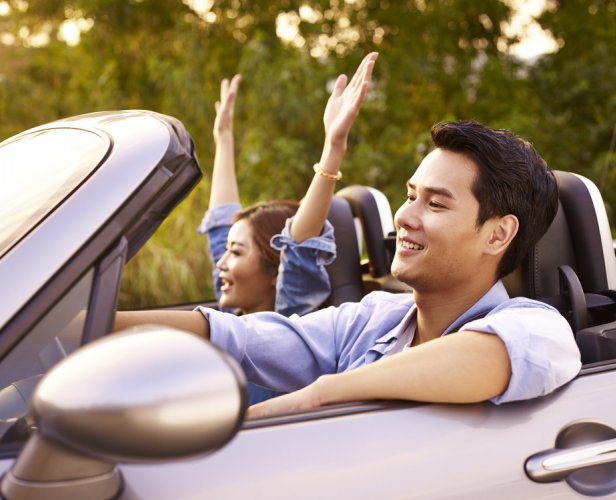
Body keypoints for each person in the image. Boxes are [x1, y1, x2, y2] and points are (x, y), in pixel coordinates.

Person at [116, 58, 581, 419]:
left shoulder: (538, 328)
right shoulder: (373, 320)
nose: (405, 216)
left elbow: (490, 353)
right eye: (410, 196)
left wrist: (318, 396)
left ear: (498, 234)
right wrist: (88, 321)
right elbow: (237, 334)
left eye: (435, 204)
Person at [195, 53, 378, 404]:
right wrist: (224, 140)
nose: (221, 261)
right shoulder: (233, 316)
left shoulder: (293, 327)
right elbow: (222, 222)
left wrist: (333, 147)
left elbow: (299, 245)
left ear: (274, 271)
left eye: (235, 252)